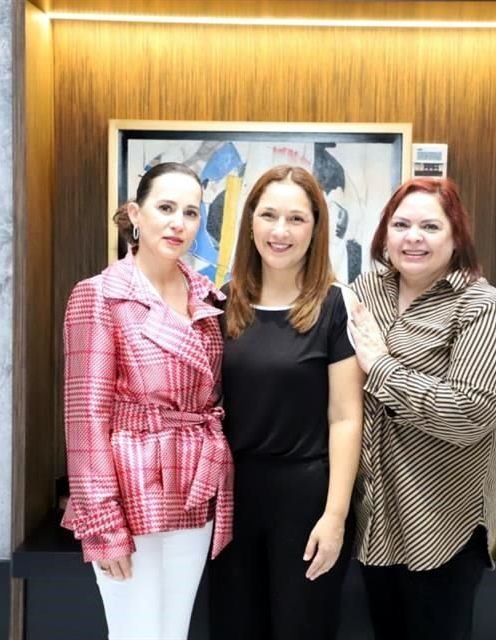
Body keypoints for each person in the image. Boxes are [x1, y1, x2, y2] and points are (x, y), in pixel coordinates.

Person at [61, 162, 233, 640]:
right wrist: (102, 523)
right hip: (129, 487)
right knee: (134, 633)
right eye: (165, 208)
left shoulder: (208, 298)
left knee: (173, 632)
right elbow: (85, 417)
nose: (179, 222)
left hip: (193, 483)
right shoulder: (99, 295)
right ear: (136, 213)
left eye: (191, 212)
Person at [347, 177, 496, 640]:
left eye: (429, 225)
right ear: (385, 234)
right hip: (373, 517)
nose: (413, 237)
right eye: (401, 224)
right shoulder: (367, 290)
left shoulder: (483, 307)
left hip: (441, 521)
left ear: (456, 236)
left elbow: (470, 413)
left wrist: (381, 367)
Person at [208, 165, 364, 640]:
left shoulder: (336, 307)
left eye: (296, 218)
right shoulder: (220, 304)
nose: (280, 231)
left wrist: (335, 517)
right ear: (250, 220)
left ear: (317, 227)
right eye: (269, 215)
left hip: (307, 500)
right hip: (231, 501)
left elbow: (345, 418)